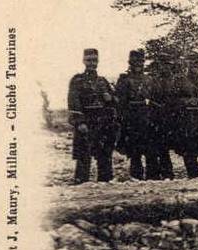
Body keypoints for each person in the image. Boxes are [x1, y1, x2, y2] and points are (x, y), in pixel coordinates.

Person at [67, 48, 118, 184]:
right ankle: (81, 182)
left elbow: (114, 101)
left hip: (103, 121)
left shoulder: (102, 81)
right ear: (83, 61)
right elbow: (73, 102)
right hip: (87, 121)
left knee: (104, 154)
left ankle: (105, 182)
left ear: (98, 61)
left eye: (94, 60)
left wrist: (110, 98)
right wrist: (80, 122)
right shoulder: (77, 80)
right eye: (89, 60)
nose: (92, 63)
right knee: (84, 153)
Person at [114, 49, 156, 180]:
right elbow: (120, 102)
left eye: (141, 62)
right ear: (130, 63)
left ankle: (153, 177)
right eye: (135, 62)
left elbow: (154, 97)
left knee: (151, 149)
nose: (138, 64)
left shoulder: (149, 79)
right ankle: (136, 176)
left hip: (148, 117)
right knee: (135, 150)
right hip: (132, 118)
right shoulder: (124, 80)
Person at [148, 54, 179, 179]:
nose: (165, 68)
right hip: (158, 117)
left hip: (174, 116)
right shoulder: (153, 81)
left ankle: (168, 172)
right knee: (159, 147)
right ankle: (156, 174)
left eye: (168, 65)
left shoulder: (175, 80)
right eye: (162, 65)